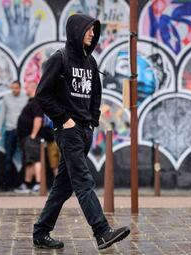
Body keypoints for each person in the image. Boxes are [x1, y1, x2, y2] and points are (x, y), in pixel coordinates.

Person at [33, 14, 130, 250]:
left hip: (84, 131)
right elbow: (42, 94)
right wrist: (65, 120)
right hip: (68, 132)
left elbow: (96, 93)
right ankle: (102, 232)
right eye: (88, 29)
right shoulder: (59, 59)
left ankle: (41, 231)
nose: (92, 34)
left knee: (62, 188)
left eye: (93, 30)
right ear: (75, 31)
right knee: (83, 181)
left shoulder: (90, 62)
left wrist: (92, 121)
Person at [0, 80, 28, 191]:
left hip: (22, 131)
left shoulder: (25, 97)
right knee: (8, 158)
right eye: (13, 88)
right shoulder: (6, 98)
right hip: (10, 130)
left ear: (20, 88)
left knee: (25, 157)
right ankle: (6, 185)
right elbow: (2, 113)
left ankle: (22, 183)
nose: (14, 90)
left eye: (16, 88)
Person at [15, 82, 43, 194]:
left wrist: (33, 135)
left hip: (32, 137)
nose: (25, 89)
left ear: (33, 88)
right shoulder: (31, 101)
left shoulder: (36, 101)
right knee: (29, 161)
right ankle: (27, 184)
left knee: (36, 159)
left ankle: (38, 184)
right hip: (27, 137)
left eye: (27, 88)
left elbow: (38, 119)